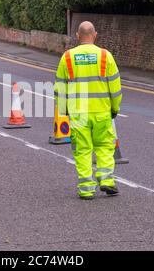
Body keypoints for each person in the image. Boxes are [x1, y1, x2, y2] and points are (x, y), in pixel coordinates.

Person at [54, 21, 122, 200]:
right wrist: (115, 108)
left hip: (78, 114)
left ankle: (86, 188)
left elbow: (60, 88)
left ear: (77, 36)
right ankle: (106, 180)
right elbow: (115, 88)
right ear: (95, 35)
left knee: (82, 150)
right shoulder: (105, 56)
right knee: (105, 147)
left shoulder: (67, 57)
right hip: (102, 112)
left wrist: (63, 110)